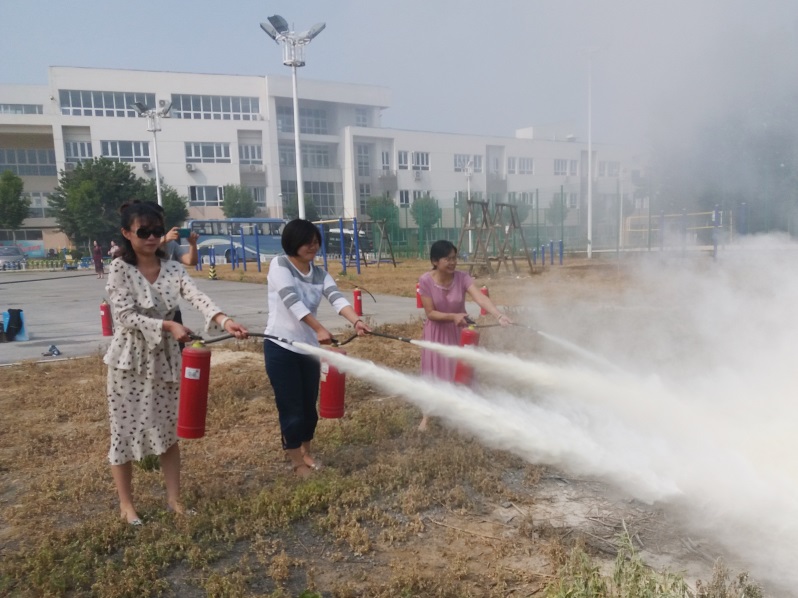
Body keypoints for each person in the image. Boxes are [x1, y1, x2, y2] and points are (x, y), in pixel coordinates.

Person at [104, 201, 248, 525]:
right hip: (130, 360)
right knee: (123, 432)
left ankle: (174, 499)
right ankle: (126, 505)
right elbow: (124, 316)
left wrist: (224, 320)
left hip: (167, 360)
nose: (152, 237)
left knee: (169, 431)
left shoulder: (173, 268)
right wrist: (169, 326)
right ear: (127, 233)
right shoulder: (119, 270)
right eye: (144, 231)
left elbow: (196, 296)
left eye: (157, 230)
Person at [263, 219, 370, 478]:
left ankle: (306, 451)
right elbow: (292, 302)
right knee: (291, 408)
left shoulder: (320, 273)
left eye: (315, 241)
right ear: (292, 242)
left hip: (309, 350)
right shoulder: (280, 265)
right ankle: (297, 462)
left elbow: (337, 298)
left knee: (309, 408)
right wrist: (319, 328)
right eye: (306, 241)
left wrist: (356, 320)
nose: (313, 246)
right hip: (281, 347)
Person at [417, 239, 511, 431]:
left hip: (460, 334)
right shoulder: (425, 280)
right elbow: (430, 313)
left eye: (454, 258)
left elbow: (480, 297)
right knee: (433, 372)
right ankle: (427, 416)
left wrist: (499, 315)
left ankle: (465, 412)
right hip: (437, 333)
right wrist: (453, 316)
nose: (453, 262)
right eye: (447, 259)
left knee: (462, 371)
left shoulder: (462, 278)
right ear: (435, 261)